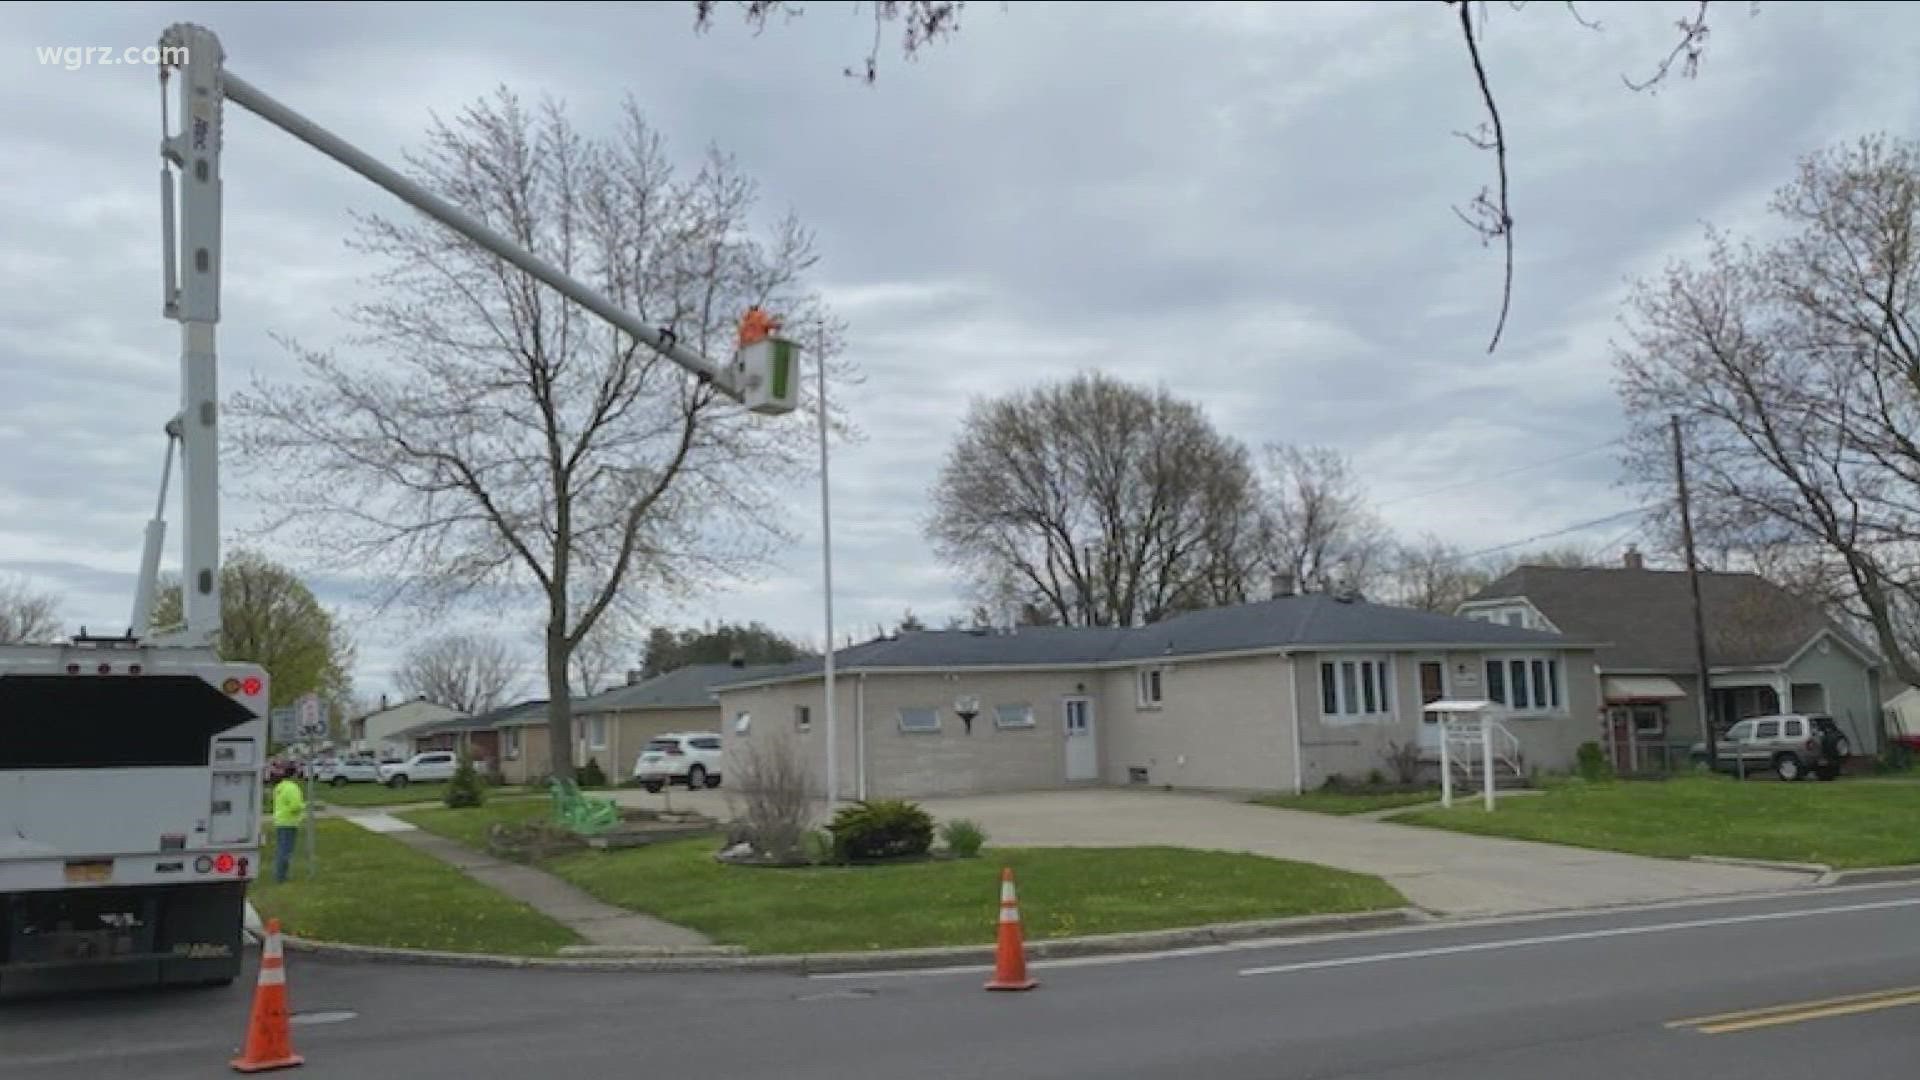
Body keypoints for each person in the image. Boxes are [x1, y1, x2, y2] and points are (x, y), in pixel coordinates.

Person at [270, 765, 306, 884]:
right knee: (285, 850)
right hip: (289, 821)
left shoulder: (280, 787)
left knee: (281, 849)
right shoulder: (292, 788)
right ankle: (281, 877)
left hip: (280, 820)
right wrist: (304, 806)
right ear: (294, 775)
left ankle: (280, 874)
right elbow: (295, 806)